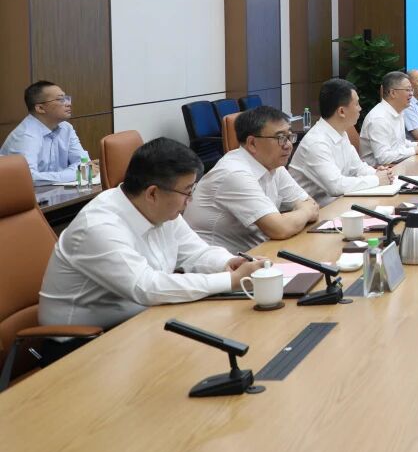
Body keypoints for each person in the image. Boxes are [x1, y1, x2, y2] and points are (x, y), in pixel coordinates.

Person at [39, 138, 262, 330]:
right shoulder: (98, 226)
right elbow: (146, 287)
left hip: (143, 319)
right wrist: (231, 280)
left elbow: (196, 252)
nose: (190, 200)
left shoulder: (162, 209)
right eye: (187, 192)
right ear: (153, 193)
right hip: (84, 341)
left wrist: (228, 263)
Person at [185, 106, 321, 252]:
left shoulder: (274, 165)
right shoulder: (234, 173)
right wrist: (304, 212)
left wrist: (299, 213)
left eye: (289, 136)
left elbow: (311, 204)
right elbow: (280, 228)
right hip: (218, 261)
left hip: (257, 252)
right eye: (281, 138)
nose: (288, 145)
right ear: (252, 143)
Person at [289, 79, 394, 206]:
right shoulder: (316, 143)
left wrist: (378, 173)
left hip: (335, 205)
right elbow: (336, 186)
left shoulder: (340, 132)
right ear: (341, 111)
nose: (360, 108)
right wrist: (376, 179)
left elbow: (357, 168)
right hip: (315, 212)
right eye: (357, 104)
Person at [1, 81, 91, 185]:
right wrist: (76, 174)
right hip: (24, 193)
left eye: (67, 98)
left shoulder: (66, 128)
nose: (68, 104)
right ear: (40, 108)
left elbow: (84, 162)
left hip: (57, 191)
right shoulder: (25, 136)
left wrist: (79, 172)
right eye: (60, 99)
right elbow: (28, 178)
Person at [360, 71, 418, 165]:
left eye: (411, 90)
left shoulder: (398, 111)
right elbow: (384, 158)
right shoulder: (379, 118)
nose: (411, 94)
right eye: (407, 90)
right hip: (383, 169)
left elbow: (399, 143)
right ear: (393, 93)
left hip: (398, 164)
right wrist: (415, 150)